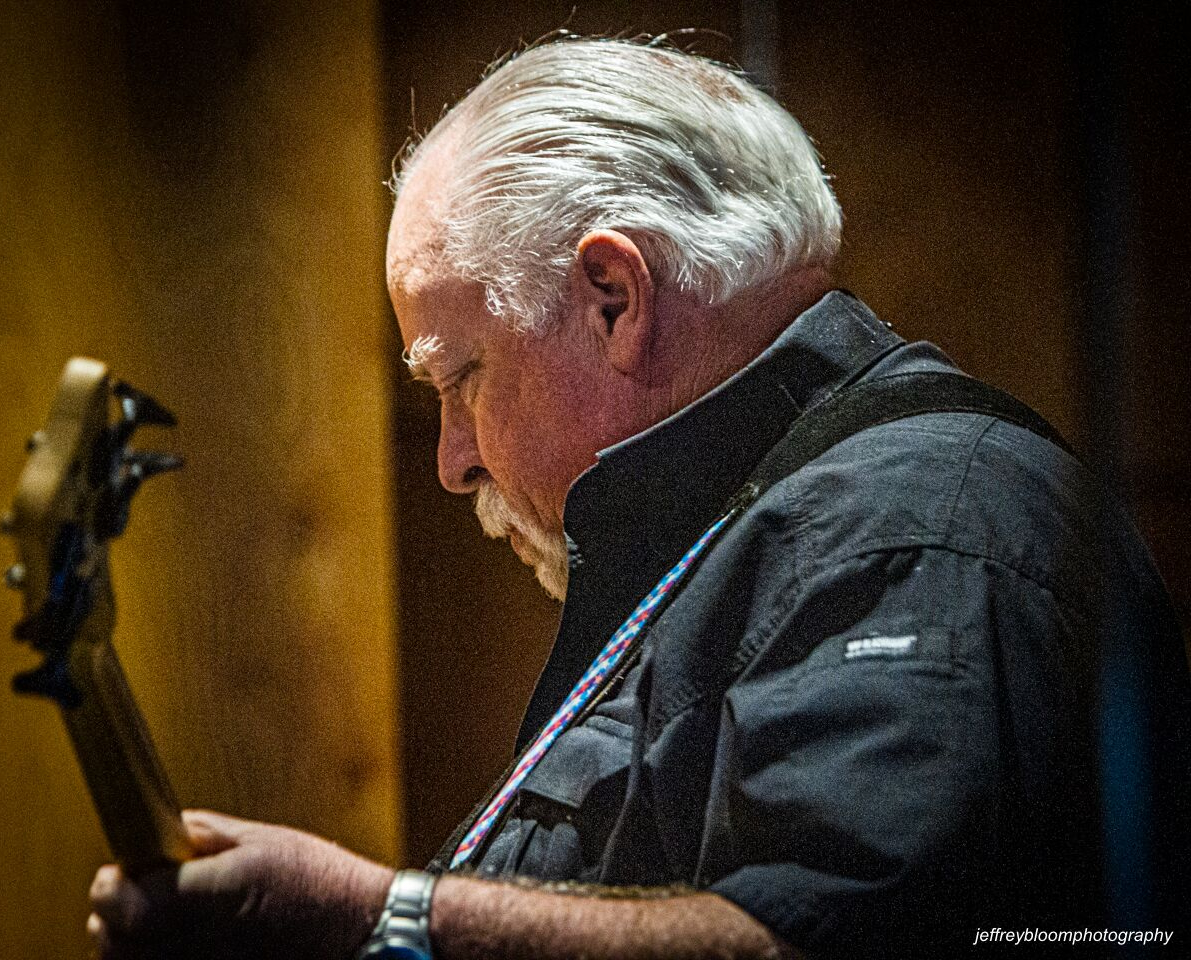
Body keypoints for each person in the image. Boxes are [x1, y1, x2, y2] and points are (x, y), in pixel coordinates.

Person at [88, 37, 1189, 960]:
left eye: (458, 377)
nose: (452, 460)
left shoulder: (919, 527)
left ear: (614, 298)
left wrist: (382, 919)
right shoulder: (769, 519)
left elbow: (842, 938)